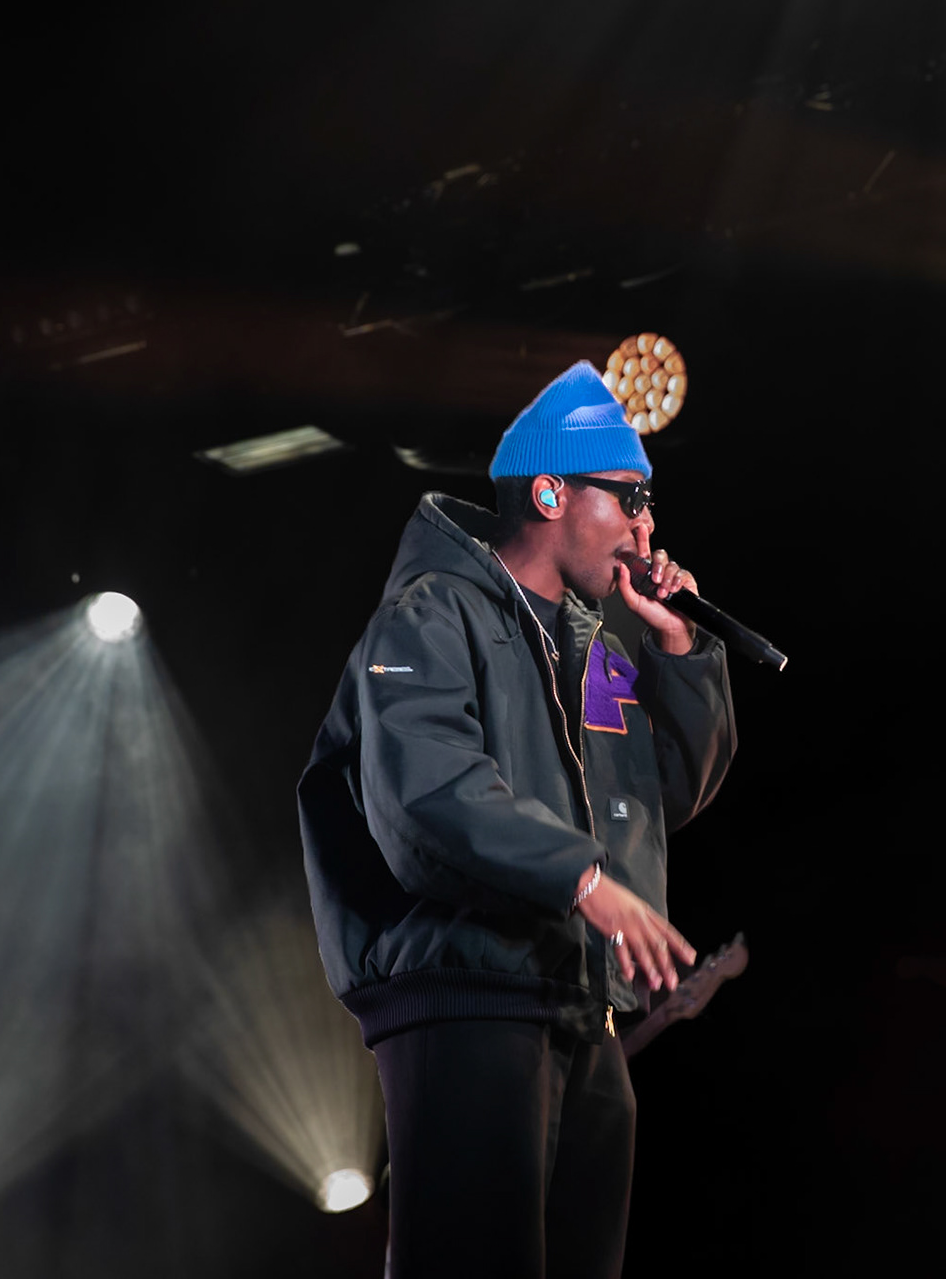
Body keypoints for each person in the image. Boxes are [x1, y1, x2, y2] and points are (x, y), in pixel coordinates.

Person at [297, 359, 737, 1279]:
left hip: (582, 1006)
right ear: (550, 492)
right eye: (628, 499)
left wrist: (680, 650)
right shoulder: (429, 616)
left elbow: (663, 796)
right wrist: (583, 881)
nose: (645, 527)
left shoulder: (596, 641)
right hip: (469, 996)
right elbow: (427, 791)